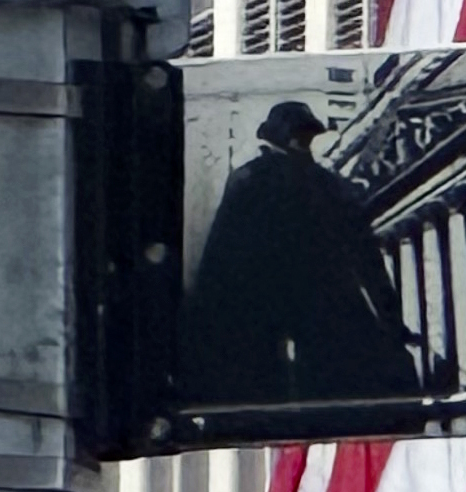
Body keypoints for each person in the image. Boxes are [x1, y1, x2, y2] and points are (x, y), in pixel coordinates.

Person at [179, 100, 421, 413]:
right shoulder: (321, 184)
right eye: (298, 135)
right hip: (296, 304)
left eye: (304, 135)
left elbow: (219, 257)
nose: (301, 142)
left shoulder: (256, 179)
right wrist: (391, 320)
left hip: (277, 308)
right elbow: (366, 257)